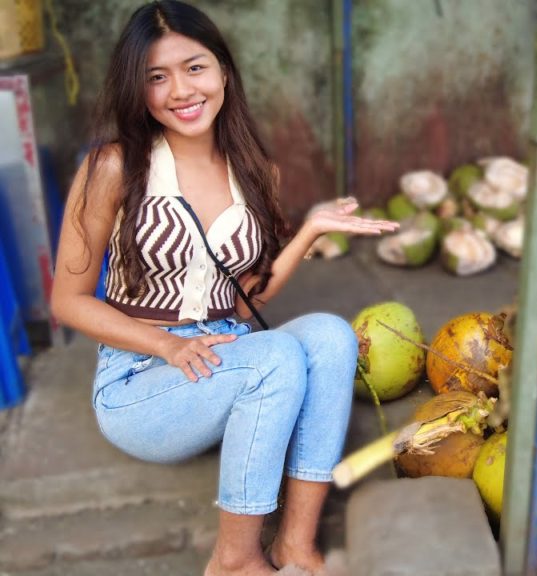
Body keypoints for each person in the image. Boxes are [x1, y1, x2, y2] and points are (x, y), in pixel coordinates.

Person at [49, 2, 398, 575]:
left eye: (195, 67)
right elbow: (68, 301)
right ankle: (234, 561)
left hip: (226, 356)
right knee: (278, 356)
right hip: (141, 380)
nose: (181, 90)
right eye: (156, 77)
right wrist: (166, 345)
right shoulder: (113, 167)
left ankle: (295, 546)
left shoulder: (256, 172)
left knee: (332, 336)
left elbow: (239, 304)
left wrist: (308, 230)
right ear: (137, 90)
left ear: (223, 72)